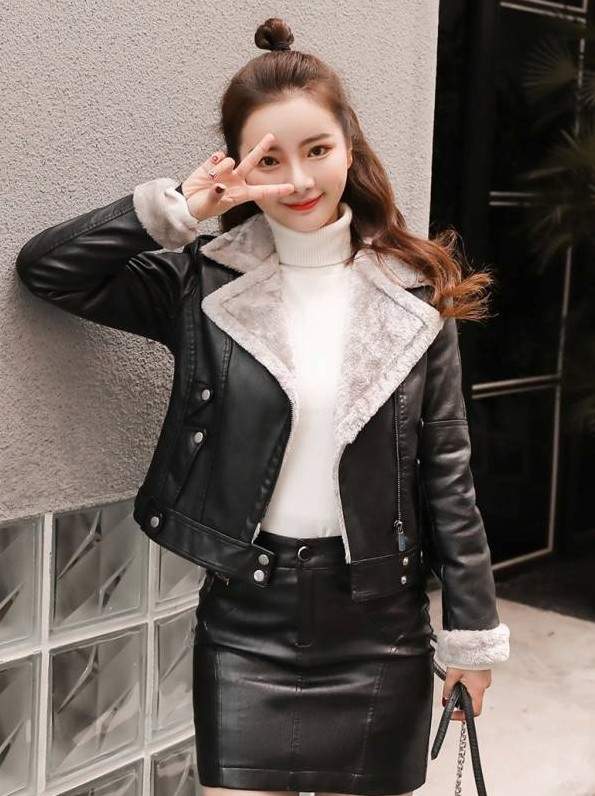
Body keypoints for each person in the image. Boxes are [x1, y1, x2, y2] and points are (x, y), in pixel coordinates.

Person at [16, 16, 510, 796]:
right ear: (240, 168)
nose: (300, 180)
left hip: (380, 627)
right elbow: (50, 270)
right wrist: (185, 206)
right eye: (270, 159)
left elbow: (448, 478)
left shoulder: (411, 296)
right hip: (245, 619)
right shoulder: (203, 283)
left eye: (316, 149)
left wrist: (469, 638)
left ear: (348, 145)